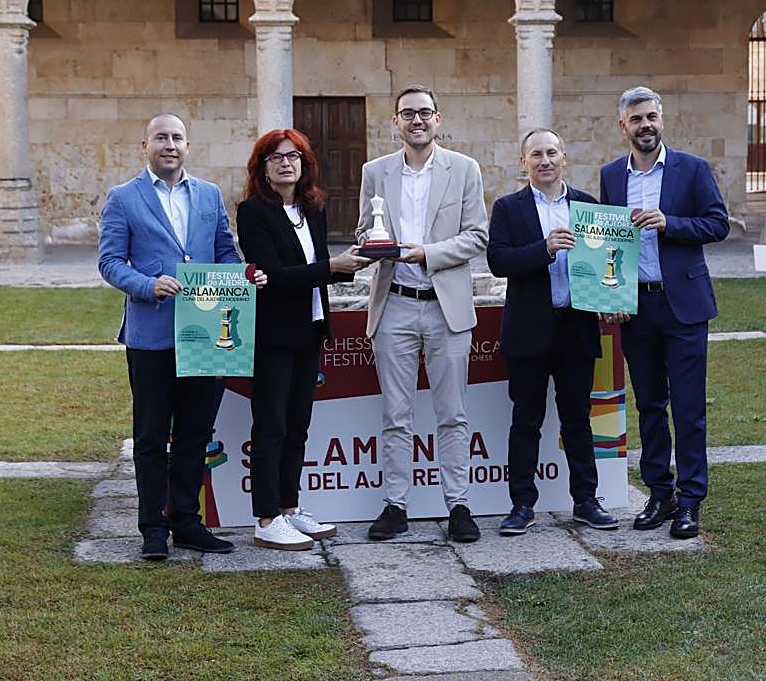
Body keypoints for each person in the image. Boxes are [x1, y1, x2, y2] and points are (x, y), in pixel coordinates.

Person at [98, 112, 266, 561]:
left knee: (196, 432)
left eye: (176, 138)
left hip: (206, 333)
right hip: (151, 335)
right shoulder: (123, 198)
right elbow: (110, 262)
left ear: (188, 146)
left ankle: (187, 522)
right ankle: (153, 528)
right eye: (160, 138)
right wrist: (146, 285)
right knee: (152, 436)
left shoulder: (209, 195)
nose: (169, 145)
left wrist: (241, 278)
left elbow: (225, 252)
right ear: (145, 145)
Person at [355, 84, 489, 543]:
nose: (417, 120)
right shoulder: (375, 172)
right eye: (408, 113)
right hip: (393, 304)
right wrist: (374, 245)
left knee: (453, 414)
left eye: (425, 112)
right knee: (396, 414)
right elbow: (364, 229)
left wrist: (426, 253)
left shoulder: (464, 169)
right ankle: (396, 505)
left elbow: (477, 236)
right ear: (395, 121)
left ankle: (459, 505)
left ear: (438, 118)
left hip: (444, 306)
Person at [598, 86, 729, 539]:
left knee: (689, 408)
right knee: (650, 405)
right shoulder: (611, 176)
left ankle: (691, 499)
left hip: (684, 306)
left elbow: (718, 223)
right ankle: (660, 493)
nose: (645, 125)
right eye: (636, 119)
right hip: (636, 307)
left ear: (662, 119)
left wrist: (669, 223)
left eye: (651, 117)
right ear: (623, 126)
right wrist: (611, 299)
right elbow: (608, 242)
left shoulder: (691, 169)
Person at [236, 129, 371, 550]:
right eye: (276, 157)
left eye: (293, 156)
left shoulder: (313, 209)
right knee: (271, 426)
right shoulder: (253, 213)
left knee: (298, 426)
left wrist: (359, 261)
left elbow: (319, 268)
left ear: (305, 164)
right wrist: (333, 267)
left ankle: (289, 507)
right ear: (262, 167)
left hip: (310, 330)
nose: (285, 163)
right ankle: (266, 518)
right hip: (273, 335)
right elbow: (275, 275)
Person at [486, 128, 620, 535]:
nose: (544, 161)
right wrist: (544, 249)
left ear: (564, 158)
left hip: (576, 329)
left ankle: (586, 500)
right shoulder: (508, 208)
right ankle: (522, 505)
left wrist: (613, 299)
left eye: (551, 153)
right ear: (523, 162)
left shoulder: (588, 206)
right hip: (528, 330)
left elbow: (608, 263)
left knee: (578, 419)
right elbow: (498, 261)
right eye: (536, 155)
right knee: (526, 421)